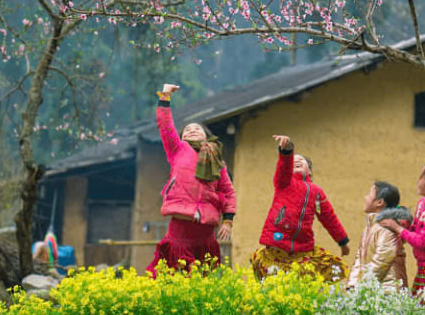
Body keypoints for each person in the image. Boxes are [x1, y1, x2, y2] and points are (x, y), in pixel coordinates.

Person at [146, 83, 236, 278]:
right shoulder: (177, 150)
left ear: (206, 136)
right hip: (181, 226)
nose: (192, 130)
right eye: (187, 129)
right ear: (181, 137)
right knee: (172, 277)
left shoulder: (217, 160)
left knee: (202, 279)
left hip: (206, 232)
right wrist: (166, 96)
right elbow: (165, 126)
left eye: (197, 129)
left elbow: (228, 192)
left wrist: (228, 221)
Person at [251, 135, 350, 282]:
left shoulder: (317, 192)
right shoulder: (284, 183)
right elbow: (284, 166)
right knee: (275, 281)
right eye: (294, 160)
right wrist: (287, 151)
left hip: (302, 247)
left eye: (301, 161)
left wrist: (342, 241)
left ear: (309, 171)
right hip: (278, 243)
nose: (297, 161)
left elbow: (329, 218)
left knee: (318, 273)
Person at [380, 161, 425, 296]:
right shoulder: (422, 203)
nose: (417, 181)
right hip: (423, 266)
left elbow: (423, 242)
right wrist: (405, 225)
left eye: (421, 177)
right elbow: (416, 229)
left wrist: (398, 228)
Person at [346, 181, 411, 291]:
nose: (365, 197)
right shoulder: (371, 226)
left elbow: (380, 263)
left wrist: (360, 287)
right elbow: (359, 258)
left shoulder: (387, 229)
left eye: (369, 194)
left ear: (380, 202)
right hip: (373, 289)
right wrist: (352, 284)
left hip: (388, 292)